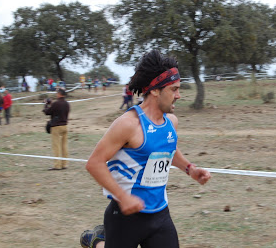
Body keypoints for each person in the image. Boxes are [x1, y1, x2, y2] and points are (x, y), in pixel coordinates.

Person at [85, 49, 211, 248]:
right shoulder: (128, 124)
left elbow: (169, 150)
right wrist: (124, 198)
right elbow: (94, 163)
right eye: (173, 89)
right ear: (154, 90)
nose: (179, 95)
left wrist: (190, 169)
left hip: (160, 214)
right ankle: (97, 242)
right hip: (125, 217)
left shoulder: (171, 122)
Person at [43, 89, 70, 170]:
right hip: (65, 126)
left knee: (56, 146)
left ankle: (57, 165)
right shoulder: (67, 104)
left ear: (59, 94)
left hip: (56, 127)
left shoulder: (56, 103)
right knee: (64, 146)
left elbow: (47, 112)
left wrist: (46, 104)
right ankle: (64, 164)